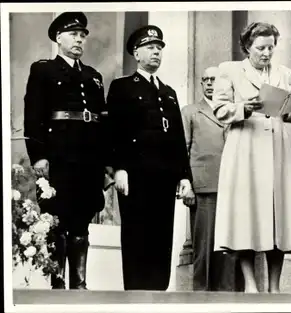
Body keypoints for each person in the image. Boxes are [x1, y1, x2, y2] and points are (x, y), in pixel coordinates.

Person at [212, 22, 291, 293]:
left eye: (271, 48)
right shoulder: (230, 70)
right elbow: (219, 110)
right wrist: (245, 106)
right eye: (260, 48)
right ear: (247, 47)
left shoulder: (283, 72)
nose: (266, 53)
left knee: (277, 215)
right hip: (245, 148)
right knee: (247, 215)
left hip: (276, 149)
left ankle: (274, 287)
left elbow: (287, 115)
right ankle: (252, 285)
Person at [23, 12, 107, 290]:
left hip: (88, 159)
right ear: (58, 38)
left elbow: (102, 121)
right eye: (73, 34)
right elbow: (33, 116)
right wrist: (39, 156)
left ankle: (79, 285)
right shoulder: (44, 70)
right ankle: (58, 285)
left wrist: (105, 162)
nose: (79, 39)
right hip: (58, 156)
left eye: (82, 35)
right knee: (57, 220)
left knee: (81, 221)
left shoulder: (93, 76)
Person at [106, 25, 193, 291]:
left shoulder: (168, 92)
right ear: (136, 53)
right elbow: (114, 132)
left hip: (165, 177)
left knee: (161, 236)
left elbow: (178, 138)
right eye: (150, 48)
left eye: (159, 48)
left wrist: (184, 177)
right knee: (137, 236)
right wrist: (118, 168)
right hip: (136, 175)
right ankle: (135, 296)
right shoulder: (122, 87)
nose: (156, 52)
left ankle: (159, 295)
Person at [181, 67, 244, 292]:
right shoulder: (190, 111)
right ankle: (201, 296)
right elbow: (183, 149)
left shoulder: (235, 110)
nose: (209, 83)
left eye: (214, 80)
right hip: (204, 185)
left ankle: (232, 296)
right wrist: (185, 183)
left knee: (233, 247)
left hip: (235, 186)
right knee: (204, 247)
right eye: (205, 79)